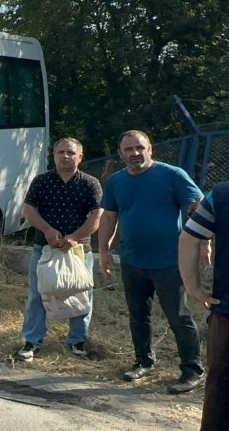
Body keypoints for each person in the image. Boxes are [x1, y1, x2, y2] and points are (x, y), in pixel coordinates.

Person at [98, 130, 205, 394]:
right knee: (138, 315)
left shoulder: (172, 175)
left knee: (178, 316)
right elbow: (109, 217)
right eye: (129, 149)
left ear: (150, 148)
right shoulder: (116, 181)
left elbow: (200, 208)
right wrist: (104, 250)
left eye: (139, 147)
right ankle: (143, 362)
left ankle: (192, 370)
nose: (135, 153)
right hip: (132, 260)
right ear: (121, 153)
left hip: (169, 261)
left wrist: (205, 244)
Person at [17, 137, 103, 361]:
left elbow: (96, 217)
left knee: (81, 294)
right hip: (45, 248)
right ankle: (32, 341)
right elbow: (28, 210)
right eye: (61, 152)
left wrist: (75, 237)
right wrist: (47, 229)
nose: (65, 156)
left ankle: (78, 341)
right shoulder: (41, 181)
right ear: (53, 156)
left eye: (71, 152)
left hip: (78, 250)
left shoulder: (90, 183)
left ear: (80, 157)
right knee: (37, 295)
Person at [179, 182, 228, 429]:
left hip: (227, 313)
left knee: (222, 391)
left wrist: (193, 287)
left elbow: (189, 237)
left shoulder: (222, 194)